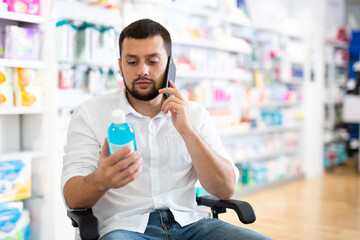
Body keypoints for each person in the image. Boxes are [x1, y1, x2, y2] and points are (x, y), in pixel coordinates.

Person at [61, 18, 271, 240]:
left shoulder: (194, 113)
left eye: (153, 61)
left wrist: (188, 131)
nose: (143, 71)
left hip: (192, 226)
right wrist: (101, 179)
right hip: (126, 229)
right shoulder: (90, 113)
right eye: (132, 62)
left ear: (170, 64)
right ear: (120, 65)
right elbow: (72, 198)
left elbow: (226, 188)